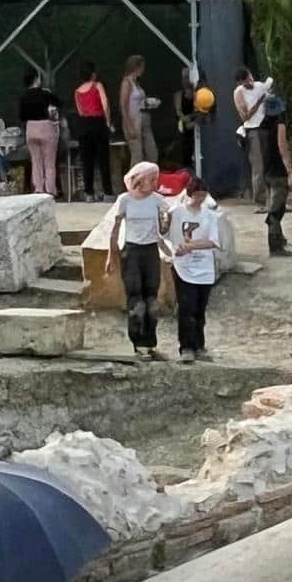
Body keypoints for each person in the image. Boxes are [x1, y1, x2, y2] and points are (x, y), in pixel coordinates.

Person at [104, 161, 168, 359]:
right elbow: (115, 230)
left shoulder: (157, 200)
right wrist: (111, 256)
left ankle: (151, 343)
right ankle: (138, 342)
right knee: (136, 301)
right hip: (132, 252)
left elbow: (164, 227)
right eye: (151, 179)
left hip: (150, 251)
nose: (155, 183)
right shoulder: (125, 200)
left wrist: (166, 224)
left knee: (152, 301)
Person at [162, 177, 226, 362]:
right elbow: (164, 232)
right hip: (183, 267)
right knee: (186, 307)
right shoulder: (177, 212)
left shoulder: (209, 216)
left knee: (200, 308)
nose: (199, 199)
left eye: (203, 196)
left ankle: (199, 345)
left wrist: (191, 246)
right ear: (189, 194)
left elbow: (213, 242)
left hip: (204, 268)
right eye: (196, 195)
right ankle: (186, 347)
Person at [232, 65, 292, 255]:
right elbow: (244, 115)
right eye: (245, 83)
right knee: (259, 167)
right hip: (254, 129)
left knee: (272, 175)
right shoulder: (240, 93)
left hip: (266, 125)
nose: (248, 84)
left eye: (249, 80)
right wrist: (259, 101)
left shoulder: (261, 87)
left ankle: (274, 206)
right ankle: (261, 201)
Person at [70, 62, 114, 199]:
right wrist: (107, 122)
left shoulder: (77, 91)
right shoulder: (97, 86)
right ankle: (107, 192)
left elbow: (80, 110)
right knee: (103, 159)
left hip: (84, 125)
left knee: (86, 160)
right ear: (93, 73)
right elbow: (105, 104)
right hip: (98, 122)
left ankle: (89, 193)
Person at [18, 65, 63, 197]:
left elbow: (21, 117)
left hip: (30, 129)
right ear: (37, 79)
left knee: (36, 161)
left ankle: (38, 189)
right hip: (46, 128)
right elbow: (59, 103)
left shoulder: (23, 97)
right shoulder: (45, 93)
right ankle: (50, 190)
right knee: (49, 162)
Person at [118, 55, 154, 170]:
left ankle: (148, 179)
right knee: (137, 155)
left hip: (143, 119)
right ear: (136, 67)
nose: (143, 70)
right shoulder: (126, 83)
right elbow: (123, 105)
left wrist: (149, 102)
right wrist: (129, 126)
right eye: (142, 67)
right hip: (133, 121)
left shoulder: (136, 83)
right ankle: (134, 183)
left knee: (152, 152)